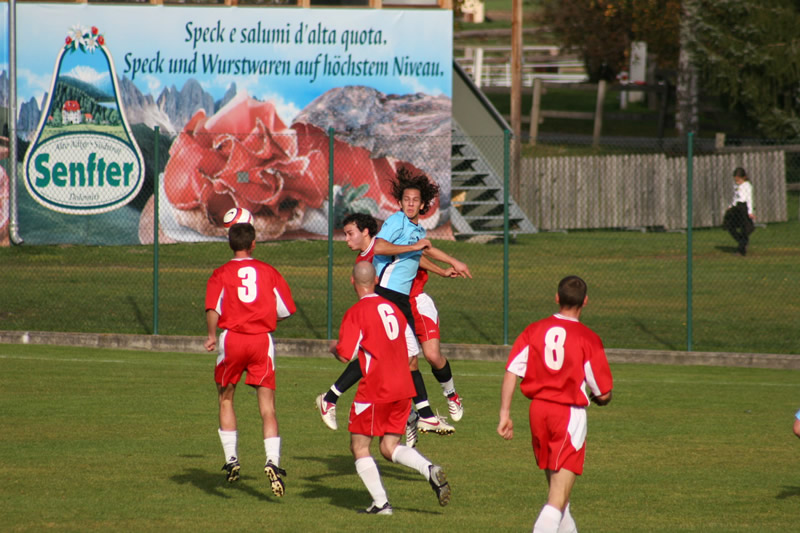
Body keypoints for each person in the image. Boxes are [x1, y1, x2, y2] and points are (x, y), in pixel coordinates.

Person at [315, 212, 468, 443]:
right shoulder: (371, 255)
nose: (346, 239)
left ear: (365, 232)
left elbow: (412, 255)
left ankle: (414, 415)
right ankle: (420, 415)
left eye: (349, 234)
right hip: (384, 309)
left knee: (401, 360)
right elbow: (402, 253)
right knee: (392, 359)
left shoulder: (381, 247)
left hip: (393, 307)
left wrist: (441, 268)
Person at [331, 261, 451, 514]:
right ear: (376, 281)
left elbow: (345, 355)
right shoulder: (394, 309)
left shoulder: (357, 312)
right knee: (388, 448)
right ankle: (428, 469)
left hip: (377, 387)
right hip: (403, 386)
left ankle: (381, 504)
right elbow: (411, 353)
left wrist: (334, 346)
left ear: (353, 282)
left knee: (359, 446)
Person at [497, 276, 613, 533]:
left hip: (538, 411)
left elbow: (512, 370)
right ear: (585, 301)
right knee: (557, 499)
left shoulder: (534, 329)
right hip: (567, 415)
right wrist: (602, 398)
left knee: (561, 497)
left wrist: (505, 414)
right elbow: (603, 393)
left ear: (557, 298)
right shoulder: (588, 337)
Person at [204, 221, 296, 496]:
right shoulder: (269, 271)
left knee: (226, 398)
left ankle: (232, 458)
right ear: (254, 243)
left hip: (233, 339)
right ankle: (272, 462)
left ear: (230, 243)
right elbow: (286, 309)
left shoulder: (220, 273)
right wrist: (265, 312)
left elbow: (212, 307)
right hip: (261, 341)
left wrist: (211, 335)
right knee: (267, 408)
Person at [722, 167, 755, 256]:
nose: (737, 182)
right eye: (735, 180)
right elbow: (735, 198)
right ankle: (742, 241)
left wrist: (750, 212)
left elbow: (749, 199)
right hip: (736, 208)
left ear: (743, 178)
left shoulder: (747, 185)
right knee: (729, 226)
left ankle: (741, 250)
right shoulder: (736, 186)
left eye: (738, 180)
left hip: (743, 208)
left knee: (745, 229)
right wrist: (730, 206)